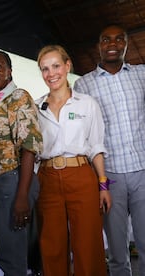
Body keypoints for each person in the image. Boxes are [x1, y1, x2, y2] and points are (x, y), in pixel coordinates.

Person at [74, 24, 145, 276]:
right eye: (106, 40)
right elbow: (83, 133)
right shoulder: (83, 85)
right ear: (99, 46)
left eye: (118, 39)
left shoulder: (141, 74)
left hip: (142, 172)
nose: (112, 44)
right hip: (109, 176)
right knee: (116, 251)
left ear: (126, 43)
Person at [36, 45, 112, 276]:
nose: (52, 74)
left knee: (88, 243)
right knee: (52, 245)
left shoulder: (86, 103)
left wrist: (103, 185)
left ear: (67, 66)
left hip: (81, 175)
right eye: (45, 69)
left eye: (56, 66)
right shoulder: (36, 107)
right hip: (47, 179)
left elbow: (96, 146)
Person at [0, 51, 43, 276]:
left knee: (12, 256)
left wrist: (22, 196)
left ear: (10, 71)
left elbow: (29, 146)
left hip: (13, 179)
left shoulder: (18, 97)